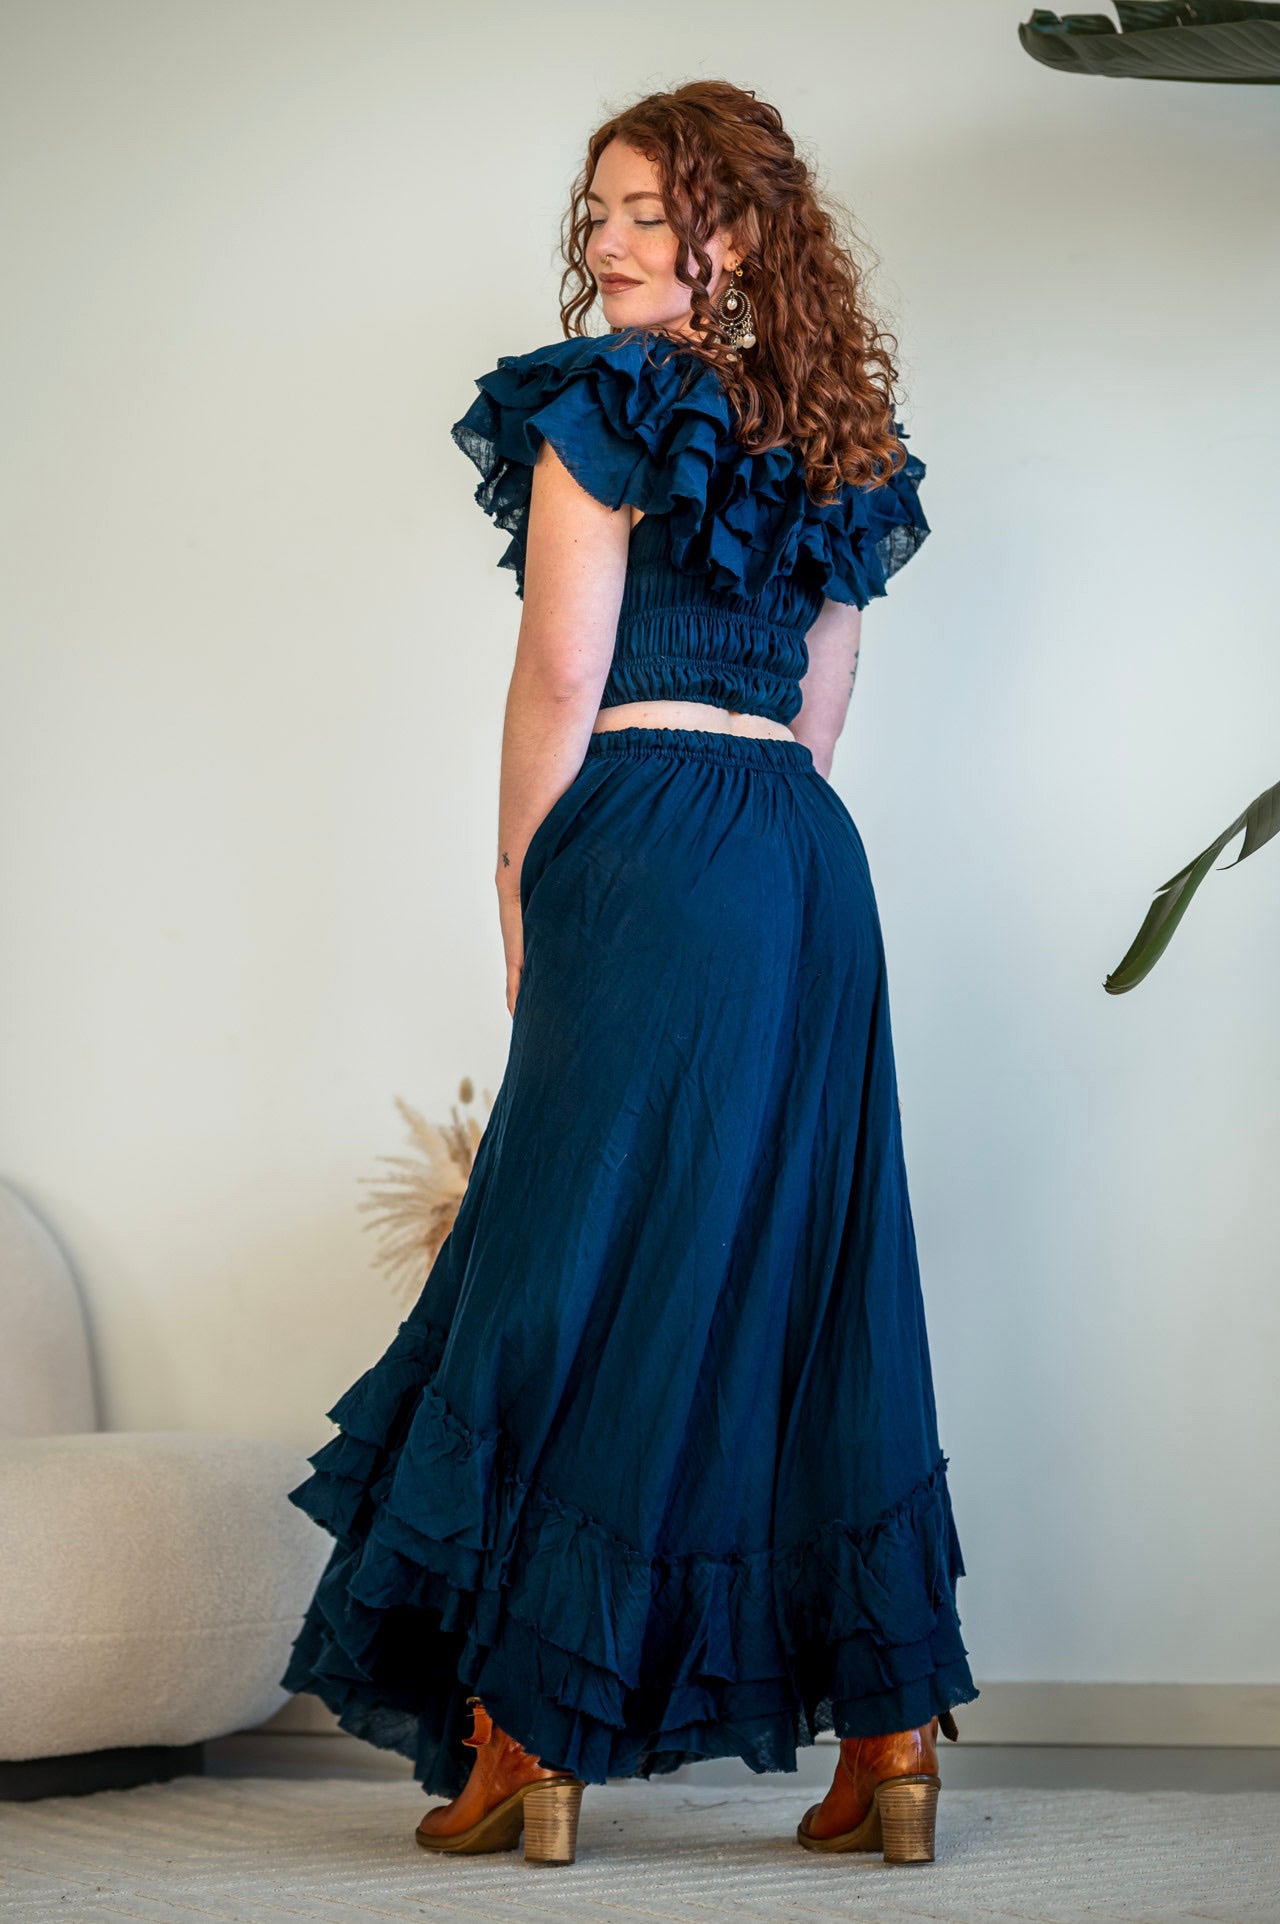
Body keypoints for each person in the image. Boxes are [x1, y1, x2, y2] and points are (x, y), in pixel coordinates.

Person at [279, 78, 979, 1871]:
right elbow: (822, 710)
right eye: (596, 212)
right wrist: (758, 872)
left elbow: (559, 672)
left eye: (645, 212)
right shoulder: (836, 433)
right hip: (803, 864)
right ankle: (892, 1742)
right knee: (810, 1284)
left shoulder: (601, 400)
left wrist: (523, 878)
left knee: (567, 1264)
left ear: (731, 233)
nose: (605, 243)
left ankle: (529, 1737)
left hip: (646, 830)